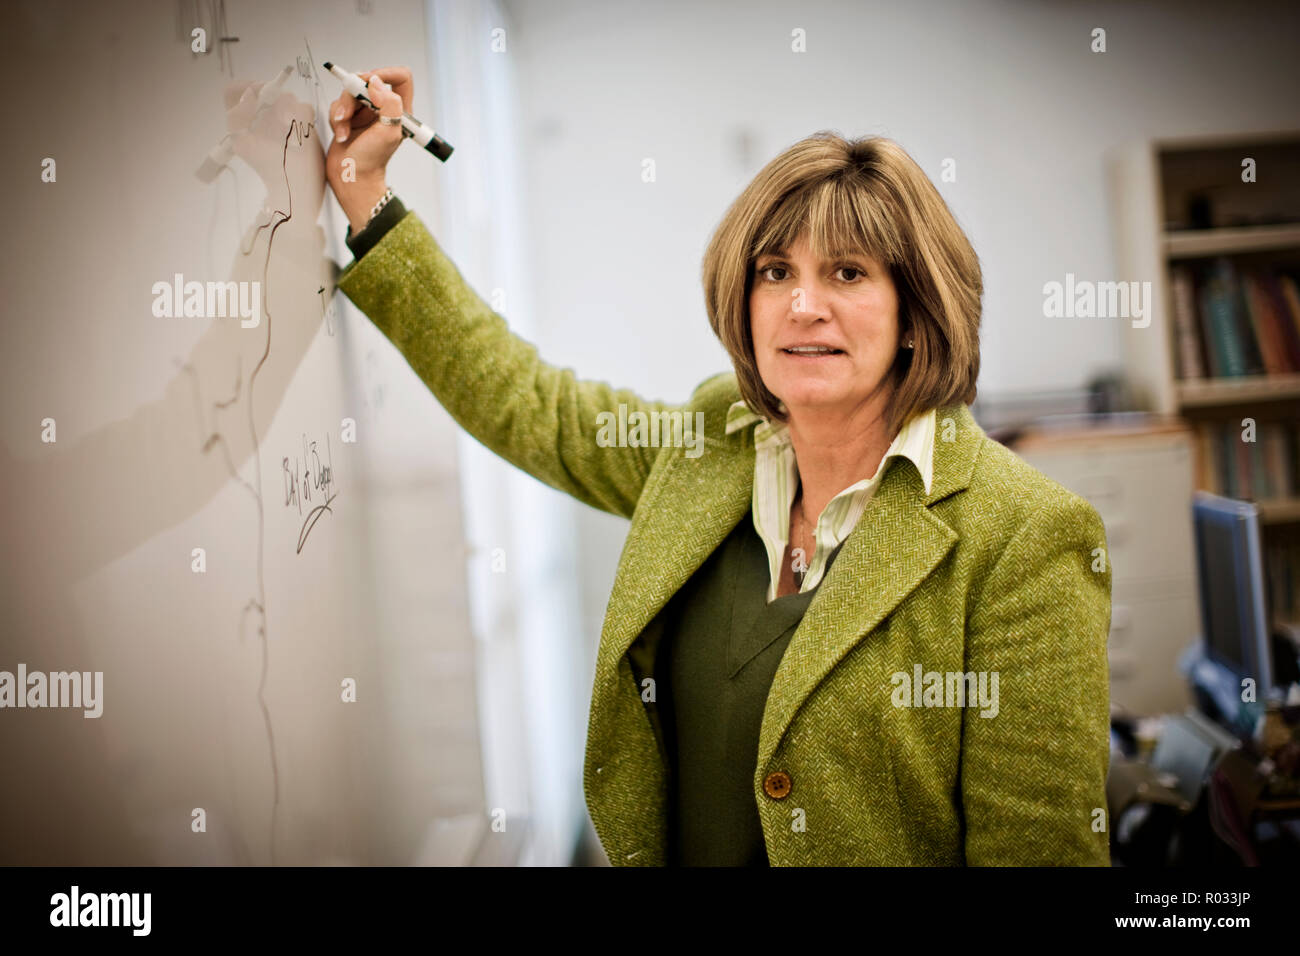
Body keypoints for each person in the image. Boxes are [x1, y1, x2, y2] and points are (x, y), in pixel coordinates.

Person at [325, 67, 1113, 866]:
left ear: (917, 311)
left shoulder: (1024, 537)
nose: (804, 305)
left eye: (847, 272)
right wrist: (366, 196)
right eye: (776, 272)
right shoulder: (715, 441)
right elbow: (530, 405)